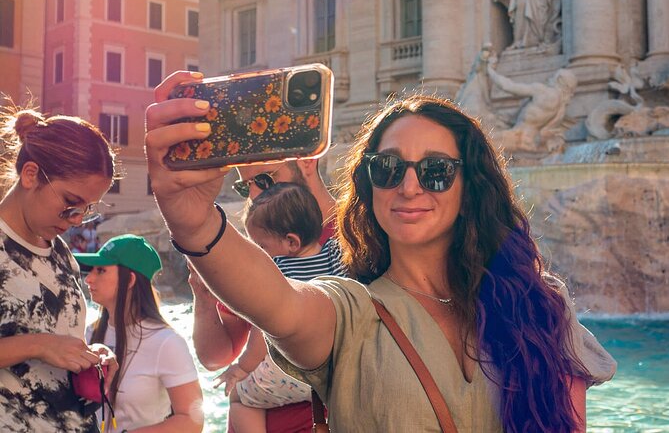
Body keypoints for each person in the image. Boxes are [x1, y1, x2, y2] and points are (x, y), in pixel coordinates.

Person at [145, 71, 616, 432]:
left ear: (469, 186)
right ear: (369, 186)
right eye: (388, 168)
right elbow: (277, 301)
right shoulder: (350, 312)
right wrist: (194, 220)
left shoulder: (538, 302)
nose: (409, 186)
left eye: (435, 170)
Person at [192, 151, 337, 431]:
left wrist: (243, 369)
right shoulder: (262, 247)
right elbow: (215, 357)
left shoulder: (364, 233)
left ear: (307, 161)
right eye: (245, 186)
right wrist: (203, 296)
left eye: (265, 179)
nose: (255, 195)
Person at [0, 104, 119, 432]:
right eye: (71, 203)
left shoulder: (62, 253)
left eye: (86, 209)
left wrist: (91, 355)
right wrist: (39, 344)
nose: (78, 220)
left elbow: (60, 342)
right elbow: (44, 344)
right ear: (30, 175)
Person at [75, 234, 204, 432]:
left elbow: (191, 421)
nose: (89, 279)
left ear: (130, 280)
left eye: (101, 270)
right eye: (91, 270)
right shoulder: (89, 333)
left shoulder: (166, 342)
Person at [487, 64, 578, 154]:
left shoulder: (544, 92)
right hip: (531, 142)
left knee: (481, 144)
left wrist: (490, 70)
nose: (549, 79)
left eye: (553, 77)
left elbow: (508, 86)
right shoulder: (561, 109)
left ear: (559, 79)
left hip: (518, 137)